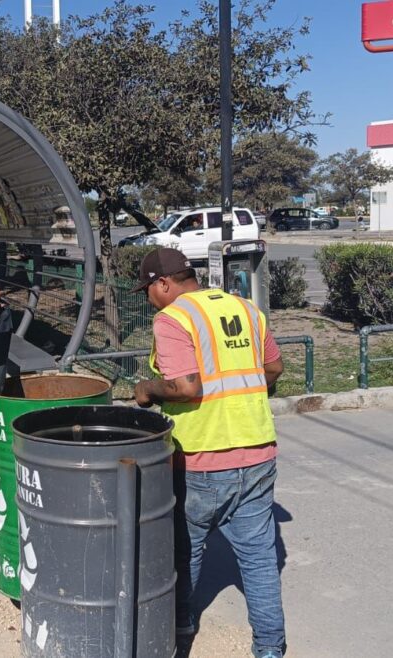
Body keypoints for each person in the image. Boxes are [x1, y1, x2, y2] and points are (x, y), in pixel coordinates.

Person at [132, 248, 287, 658]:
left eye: (148, 289)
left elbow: (186, 388)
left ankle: (179, 629)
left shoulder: (172, 319)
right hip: (257, 450)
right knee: (258, 558)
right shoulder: (247, 309)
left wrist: (147, 390)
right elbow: (274, 369)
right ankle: (270, 648)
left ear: (163, 284)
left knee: (186, 549)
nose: (148, 298)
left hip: (201, 456)